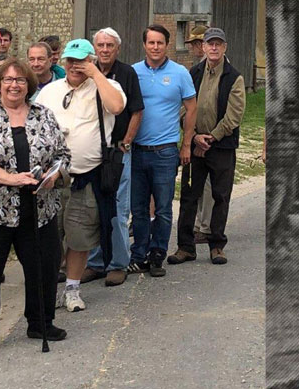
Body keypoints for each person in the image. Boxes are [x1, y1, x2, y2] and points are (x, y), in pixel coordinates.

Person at [0, 58, 70, 356]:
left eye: (20, 80)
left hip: (37, 208)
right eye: (7, 79)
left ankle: (41, 323)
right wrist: (10, 178)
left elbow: (62, 154)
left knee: (44, 268)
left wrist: (55, 174)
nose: (14, 85)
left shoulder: (44, 115)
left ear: (29, 85)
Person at [36, 40, 125, 311]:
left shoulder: (105, 87)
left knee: (81, 236)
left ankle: (72, 289)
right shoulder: (50, 91)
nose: (75, 66)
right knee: (50, 237)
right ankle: (49, 288)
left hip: (87, 176)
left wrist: (95, 74)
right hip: (52, 178)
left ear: (91, 60)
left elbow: (118, 107)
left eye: (81, 61)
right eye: (70, 61)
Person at [168, 27, 246, 266]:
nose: (213, 48)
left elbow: (234, 116)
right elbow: (183, 107)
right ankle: (185, 247)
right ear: (203, 47)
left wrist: (210, 138)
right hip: (194, 143)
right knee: (189, 197)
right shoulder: (193, 73)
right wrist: (193, 136)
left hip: (221, 147)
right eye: (210, 44)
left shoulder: (235, 77)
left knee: (220, 196)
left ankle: (217, 246)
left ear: (224, 48)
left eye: (218, 44)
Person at [129, 25, 196, 277]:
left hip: (166, 151)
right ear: (144, 45)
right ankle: (139, 255)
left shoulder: (180, 73)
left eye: (160, 43)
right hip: (137, 151)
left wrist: (186, 143)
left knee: (164, 208)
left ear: (166, 45)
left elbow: (191, 108)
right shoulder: (133, 72)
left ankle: (157, 255)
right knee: (138, 208)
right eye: (151, 43)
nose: (155, 47)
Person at [81, 28, 143, 288]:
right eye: (100, 45)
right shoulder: (85, 73)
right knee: (93, 208)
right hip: (92, 153)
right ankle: (96, 262)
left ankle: (118, 263)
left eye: (109, 45)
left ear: (117, 49)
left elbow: (136, 111)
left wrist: (126, 142)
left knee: (117, 208)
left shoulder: (127, 73)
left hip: (117, 152)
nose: (104, 50)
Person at [182, 23, 214, 244]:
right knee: (197, 181)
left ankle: (206, 225)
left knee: (210, 183)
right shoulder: (196, 70)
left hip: (212, 134)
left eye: (195, 43)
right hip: (195, 133)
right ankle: (197, 223)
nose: (193, 48)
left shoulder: (217, 68)